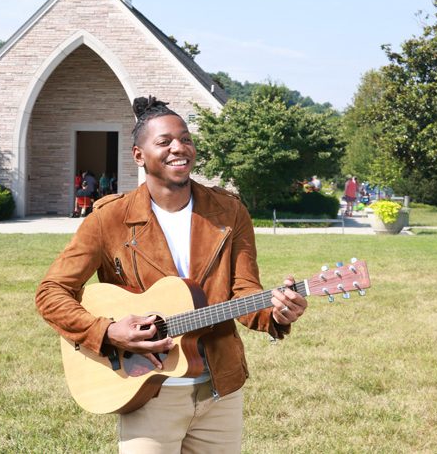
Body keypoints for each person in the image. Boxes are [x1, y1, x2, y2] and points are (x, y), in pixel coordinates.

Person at [36, 96, 307, 452]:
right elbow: (51, 292)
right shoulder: (108, 219)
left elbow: (244, 293)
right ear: (138, 155)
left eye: (185, 139)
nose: (179, 148)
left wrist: (276, 312)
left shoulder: (229, 212)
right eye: (164, 142)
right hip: (147, 389)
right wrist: (107, 331)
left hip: (219, 392)